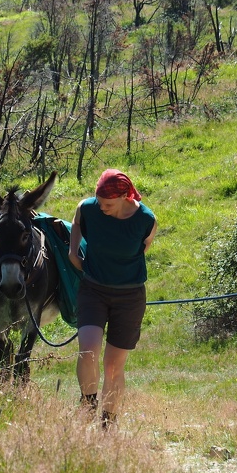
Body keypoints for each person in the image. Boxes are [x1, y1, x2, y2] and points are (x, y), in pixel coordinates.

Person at [69, 169, 157, 429]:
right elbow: (76, 224)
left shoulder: (145, 219)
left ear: (124, 197)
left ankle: (108, 422)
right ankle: (87, 404)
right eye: (99, 202)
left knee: (113, 366)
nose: (102, 208)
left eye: (107, 204)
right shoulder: (88, 209)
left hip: (129, 297)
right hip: (93, 289)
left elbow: (143, 247)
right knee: (88, 350)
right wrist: (73, 251)